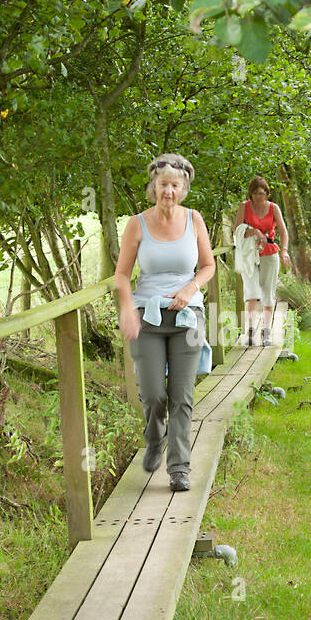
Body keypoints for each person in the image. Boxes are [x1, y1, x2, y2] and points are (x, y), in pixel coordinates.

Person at [115, 153, 215, 493]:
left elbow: (208, 266)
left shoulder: (194, 220)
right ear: (153, 187)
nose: (168, 191)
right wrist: (127, 310)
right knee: (154, 394)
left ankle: (179, 469)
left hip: (187, 317)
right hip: (148, 316)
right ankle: (154, 440)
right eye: (162, 185)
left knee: (181, 396)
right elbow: (122, 275)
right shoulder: (136, 224)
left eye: (174, 185)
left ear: (183, 188)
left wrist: (190, 288)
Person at [233, 175, 290, 346]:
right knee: (250, 293)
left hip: (269, 253)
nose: (259, 197)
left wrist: (285, 251)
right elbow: (237, 230)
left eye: (263, 193)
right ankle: (250, 331)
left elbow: (283, 232)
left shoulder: (274, 208)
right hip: (250, 255)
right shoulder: (244, 207)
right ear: (251, 194)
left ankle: (266, 332)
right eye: (256, 193)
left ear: (267, 193)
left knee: (267, 293)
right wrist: (254, 231)